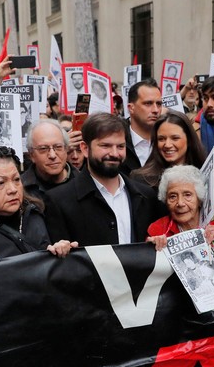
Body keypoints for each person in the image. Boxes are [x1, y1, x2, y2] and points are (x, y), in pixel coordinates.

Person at [44, 113, 163, 246]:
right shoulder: (59, 201)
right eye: (105, 146)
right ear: (85, 149)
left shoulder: (146, 196)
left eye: (120, 146)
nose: (114, 153)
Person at [145, 165, 214, 245]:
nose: (180, 203)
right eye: (172, 196)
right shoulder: (158, 229)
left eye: (187, 195)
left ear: (199, 199)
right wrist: (152, 250)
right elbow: (148, 261)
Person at [22, 120, 79, 203]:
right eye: (43, 149)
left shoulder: (86, 184)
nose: (52, 155)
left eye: (58, 147)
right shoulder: (21, 190)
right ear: (31, 155)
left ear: (66, 149)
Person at [123, 80, 163, 173]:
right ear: (131, 108)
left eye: (159, 104)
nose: (156, 110)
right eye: (148, 103)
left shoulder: (167, 140)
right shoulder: (115, 139)